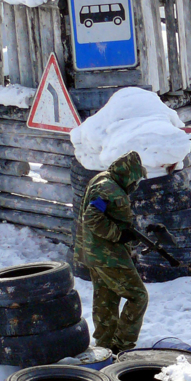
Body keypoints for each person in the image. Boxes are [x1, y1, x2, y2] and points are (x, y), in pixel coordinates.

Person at [77, 150, 152, 353]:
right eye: (135, 180)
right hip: (108, 256)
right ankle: (121, 345)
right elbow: (92, 217)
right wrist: (118, 235)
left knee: (106, 301)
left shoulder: (105, 180)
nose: (135, 186)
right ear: (129, 176)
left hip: (96, 254)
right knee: (138, 297)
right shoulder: (106, 189)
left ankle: (104, 348)